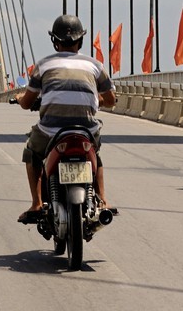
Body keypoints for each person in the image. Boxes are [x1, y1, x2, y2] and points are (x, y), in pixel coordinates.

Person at [16, 12, 117, 225]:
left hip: (51, 131)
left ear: (55, 41)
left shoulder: (43, 65)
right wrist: (96, 99)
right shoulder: (95, 65)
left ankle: (36, 203)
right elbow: (111, 100)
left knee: (31, 153)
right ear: (81, 40)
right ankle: (103, 201)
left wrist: (19, 99)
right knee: (95, 154)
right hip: (86, 130)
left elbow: (26, 103)